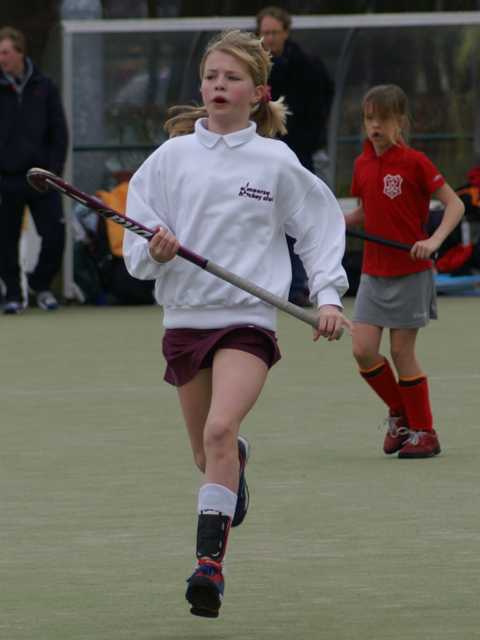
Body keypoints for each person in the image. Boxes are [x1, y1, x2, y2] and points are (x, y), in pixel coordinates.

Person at [123, 30, 351, 618]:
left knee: (220, 430)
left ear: (258, 92)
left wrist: (327, 296)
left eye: (232, 78)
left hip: (247, 321)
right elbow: (136, 248)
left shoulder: (275, 161)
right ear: (201, 87)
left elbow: (319, 226)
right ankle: (234, 464)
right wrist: (156, 251)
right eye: (211, 77)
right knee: (209, 455)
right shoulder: (170, 159)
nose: (219, 86)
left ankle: (209, 568)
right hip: (184, 320)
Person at [344, 84, 464, 459]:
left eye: (383, 119)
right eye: (369, 119)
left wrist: (434, 240)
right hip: (372, 273)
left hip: (411, 273)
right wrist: (336, 221)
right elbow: (367, 211)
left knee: (400, 351)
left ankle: (425, 432)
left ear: (400, 121)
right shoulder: (362, 164)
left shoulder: (415, 162)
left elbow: (455, 205)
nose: (375, 127)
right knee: (363, 350)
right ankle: (401, 413)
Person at [256, 6, 334, 307]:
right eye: (264, 32)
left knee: (299, 217)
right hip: (259, 154)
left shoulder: (308, 65)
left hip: (298, 153)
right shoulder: (251, 66)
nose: (269, 38)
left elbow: (323, 101)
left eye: (274, 32)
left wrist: (309, 139)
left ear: (286, 33)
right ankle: (264, 284)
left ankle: (300, 284)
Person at [0, 26, 68, 314]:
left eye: (5, 52)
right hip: (6, 180)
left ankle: (40, 285)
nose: (1, 58)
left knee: (55, 234)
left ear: (20, 53)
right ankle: (13, 295)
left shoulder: (45, 85)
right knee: (5, 240)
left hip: (42, 179)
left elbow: (59, 132)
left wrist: (52, 172)